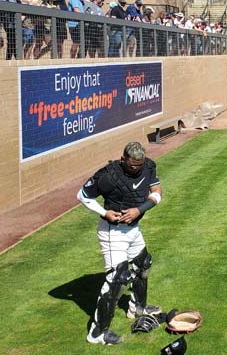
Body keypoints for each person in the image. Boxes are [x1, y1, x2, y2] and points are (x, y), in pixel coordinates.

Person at [77, 142, 163, 345]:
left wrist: (139, 209)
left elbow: (157, 192)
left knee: (143, 263)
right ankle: (97, 334)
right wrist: (104, 212)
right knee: (118, 278)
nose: (136, 168)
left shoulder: (149, 166)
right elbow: (82, 195)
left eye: (139, 165)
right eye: (132, 165)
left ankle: (138, 308)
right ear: (123, 159)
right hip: (112, 232)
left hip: (134, 229)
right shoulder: (108, 175)